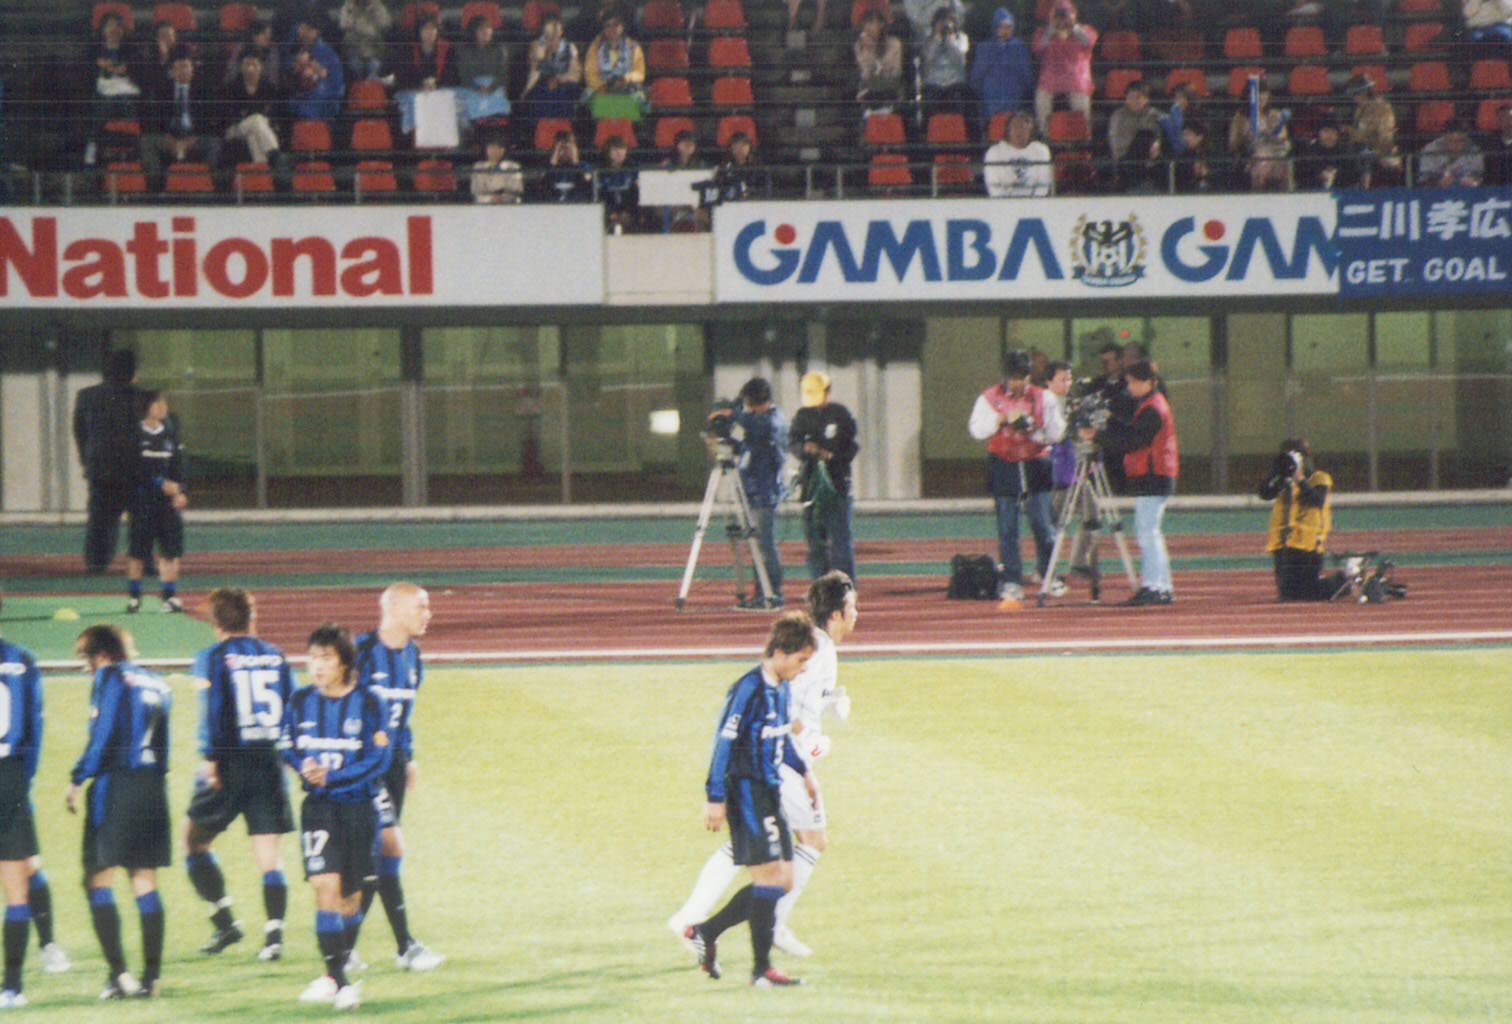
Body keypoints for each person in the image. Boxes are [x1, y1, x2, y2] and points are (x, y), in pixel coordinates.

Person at [668, 572, 857, 959]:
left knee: (751, 846)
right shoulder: (819, 651)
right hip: (779, 763)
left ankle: (694, 919)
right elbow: (783, 702)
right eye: (854, 607)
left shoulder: (818, 648)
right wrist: (812, 746)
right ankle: (766, 925)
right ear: (837, 614)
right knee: (810, 842)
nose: (858, 613)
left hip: (778, 761)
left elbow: (796, 700)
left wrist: (830, 704)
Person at [680, 612, 817, 988]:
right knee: (770, 879)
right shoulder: (748, 689)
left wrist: (804, 772)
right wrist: (715, 797)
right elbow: (724, 742)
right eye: (801, 659)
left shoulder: (782, 688)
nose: (804, 668)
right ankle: (761, 970)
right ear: (781, 652)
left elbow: (780, 735)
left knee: (783, 881)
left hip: (769, 791)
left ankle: (705, 931)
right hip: (744, 791)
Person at [181, 588, 296, 961]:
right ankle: (274, 936)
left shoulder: (212, 658)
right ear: (252, 617)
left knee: (193, 841)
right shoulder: (276, 655)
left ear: (215, 622)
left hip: (229, 762)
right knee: (269, 856)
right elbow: (292, 708)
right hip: (269, 763)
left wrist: (211, 758)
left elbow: (213, 710)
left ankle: (225, 922)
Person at [280, 624, 390, 1011]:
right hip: (319, 810)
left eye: (325, 658)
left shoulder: (370, 702)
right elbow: (286, 743)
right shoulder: (299, 700)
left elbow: (379, 759)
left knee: (350, 899)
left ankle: (332, 976)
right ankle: (342, 984)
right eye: (312, 657)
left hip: (358, 809)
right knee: (324, 886)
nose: (317, 665)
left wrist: (333, 776)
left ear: (344, 662)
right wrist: (302, 765)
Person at [66, 625, 173, 999]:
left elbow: (104, 734)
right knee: (144, 881)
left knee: (96, 879)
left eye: (87, 660)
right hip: (153, 787)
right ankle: (152, 979)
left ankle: (120, 976)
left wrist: (78, 777)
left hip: (116, 788)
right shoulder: (158, 683)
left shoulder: (110, 676)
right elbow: (164, 744)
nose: (87, 669)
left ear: (102, 655)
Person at [349, 585, 443, 973]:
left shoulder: (413, 656)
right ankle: (405, 946)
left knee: (380, 856)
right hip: (363, 769)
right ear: (396, 608)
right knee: (387, 850)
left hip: (392, 767)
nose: (428, 614)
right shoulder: (360, 652)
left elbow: (402, 716)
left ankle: (346, 948)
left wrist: (408, 755)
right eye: (421, 606)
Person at [1081, 360, 1177, 606]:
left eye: (1133, 382)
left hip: (1154, 475)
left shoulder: (1153, 408)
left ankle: (1155, 586)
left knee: (1148, 532)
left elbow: (1133, 441)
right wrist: (1110, 420)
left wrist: (1098, 435)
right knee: (1149, 532)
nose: (1129, 387)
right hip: (1155, 474)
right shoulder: (1150, 405)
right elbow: (1131, 433)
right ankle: (1160, 585)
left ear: (1148, 382)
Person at [968, 350, 1060, 600]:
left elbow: (1056, 433)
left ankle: (1048, 574)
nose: (1019, 383)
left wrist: (1033, 429)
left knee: (1043, 525)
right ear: (1006, 377)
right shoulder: (989, 398)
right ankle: (1012, 580)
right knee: (1008, 527)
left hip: (1036, 464)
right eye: (1014, 378)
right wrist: (1000, 420)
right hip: (1004, 464)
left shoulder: (1044, 397)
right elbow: (976, 430)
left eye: (1023, 377)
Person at [0, 601, 44, 1007]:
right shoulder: (22, 659)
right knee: (16, 890)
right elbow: (35, 728)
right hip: (10, 776)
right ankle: (12, 987)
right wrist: (21, 779)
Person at [721, 377, 787, 609]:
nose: (748, 408)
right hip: (751, 492)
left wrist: (733, 413)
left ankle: (773, 594)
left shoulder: (773, 420)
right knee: (757, 548)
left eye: (749, 403)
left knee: (765, 548)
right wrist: (729, 443)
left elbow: (761, 429)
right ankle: (762, 593)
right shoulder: (757, 423)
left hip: (764, 493)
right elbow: (749, 448)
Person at [73, 350, 140, 574]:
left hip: (101, 469)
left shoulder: (86, 396)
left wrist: (87, 460)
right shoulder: (143, 396)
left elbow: (80, 432)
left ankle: (97, 563)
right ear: (132, 372)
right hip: (134, 470)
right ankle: (143, 562)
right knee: (141, 519)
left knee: (100, 520)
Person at [789, 372, 859, 583]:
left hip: (836, 485)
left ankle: (845, 587)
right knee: (815, 544)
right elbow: (793, 442)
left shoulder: (840, 414)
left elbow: (851, 447)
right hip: (811, 487)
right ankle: (820, 587)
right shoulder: (802, 416)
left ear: (828, 392)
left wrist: (831, 454)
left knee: (840, 543)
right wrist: (804, 448)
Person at [1258, 439, 1348, 602]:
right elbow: (1265, 494)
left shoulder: (1319, 478)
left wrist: (1299, 479)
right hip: (1283, 544)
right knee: (1287, 596)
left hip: (1308, 544)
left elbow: (1316, 500)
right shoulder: (1285, 482)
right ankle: (1345, 581)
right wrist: (1274, 473)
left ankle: (1346, 580)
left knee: (1308, 594)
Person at [125, 390, 187, 615]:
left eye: (164, 403)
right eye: (158, 403)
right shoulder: (134, 435)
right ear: (147, 407)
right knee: (138, 552)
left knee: (170, 551)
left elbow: (179, 468)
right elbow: (133, 469)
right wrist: (159, 483)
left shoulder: (171, 435)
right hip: (142, 503)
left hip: (167, 505)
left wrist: (180, 492)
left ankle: (169, 597)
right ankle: (134, 598)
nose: (163, 407)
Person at [139, 45, 223, 191]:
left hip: (195, 138)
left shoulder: (204, 90)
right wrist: (167, 137)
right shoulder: (162, 90)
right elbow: (152, 119)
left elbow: (211, 121)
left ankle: (210, 187)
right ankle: (155, 190)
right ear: (171, 71)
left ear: (192, 69)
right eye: (177, 68)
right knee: (147, 141)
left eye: (185, 67)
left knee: (214, 143)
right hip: (169, 138)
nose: (181, 71)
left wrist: (194, 138)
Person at [1031, 0, 1097, 138]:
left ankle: (1084, 135)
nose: (1062, 19)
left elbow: (1089, 43)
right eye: (1058, 15)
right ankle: (1044, 135)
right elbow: (1037, 48)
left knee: (1082, 102)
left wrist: (1073, 27)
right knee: (1041, 99)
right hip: (1050, 79)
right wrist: (1051, 30)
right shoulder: (1042, 32)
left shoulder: (1085, 30)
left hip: (1076, 79)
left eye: (1065, 14)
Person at [969, 8, 1035, 134]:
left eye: (1009, 27)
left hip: (1014, 93)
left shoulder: (1019, 47)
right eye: (1002, 27)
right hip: (991, 94)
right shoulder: (984, 47)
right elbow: (976, 77)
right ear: (995, 27)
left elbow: (1027, 74)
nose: (1005, 31)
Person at [396, 17, 460, 138]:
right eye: (426, 29)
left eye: (432, 29)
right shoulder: (408, 49)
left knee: (455, 98)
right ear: (419, 32)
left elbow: (454, 74)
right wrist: (421, 84)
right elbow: (403, 76)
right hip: (415, 88)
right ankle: (414, 136)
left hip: (440, 87)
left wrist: (436, 84)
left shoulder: (448, 49)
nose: (429, 32)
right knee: (411, 100)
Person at [222, 51, 282, 169]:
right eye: (247, 65)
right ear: (241, 67)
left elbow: (274, 114)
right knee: (257, 119)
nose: (250, 69)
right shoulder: (232, 88)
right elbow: (231, 115)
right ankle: (274, 153)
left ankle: (261, 172)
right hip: (235, 129)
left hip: (260, 129)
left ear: (260, 67)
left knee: (254, 137)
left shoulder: (269, 87)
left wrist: (249, 113)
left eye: (254, 65)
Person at [1227, 82, 1290, 192]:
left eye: (1264, 94)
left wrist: (1275, 132)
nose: (1261, 98)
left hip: (1274, 154)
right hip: (1251, 155)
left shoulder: (1275, 114)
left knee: (1285, 163)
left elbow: (1284, 139)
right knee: (1259, 164)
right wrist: (1245, 135)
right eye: (1258, 94)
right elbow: (1233, 145)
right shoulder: (1240, 117)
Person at [584, 13, 646, 121]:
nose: (612, 29)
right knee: (588, 99)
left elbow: (640, 73)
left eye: (616, 25)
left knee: (639, 99)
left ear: (622, 27)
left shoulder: (633, 46)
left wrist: (626, 78)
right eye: (608, 26)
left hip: (626, 87)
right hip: (602, 88)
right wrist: (601, 87)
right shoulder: (596, 46)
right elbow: (590, 73)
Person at [456, 14, 511, 135]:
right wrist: (477, 88)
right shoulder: (464, 50)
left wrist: (492, 87)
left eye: (488, 28)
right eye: (481, 29)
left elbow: (503, 75)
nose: (486, 32)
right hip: (472, 87)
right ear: (473, 32)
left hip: (494, 87)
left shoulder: (499, 50)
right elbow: (463, 75)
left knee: (497, 102)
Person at [521, 14, 582, 125]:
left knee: (566, 93)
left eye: (556, 29)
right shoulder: (537, 45)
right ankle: (540, 129)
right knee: (536, 96)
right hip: (542, 82)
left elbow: (575, 74)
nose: (553, 33)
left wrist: (560, 79)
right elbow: (534, 71)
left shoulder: (570, 47)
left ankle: (564, 127)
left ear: (561, 31)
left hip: (564, 83)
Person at [285, 16, 344, 122]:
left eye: (308, 29)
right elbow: (290, 74)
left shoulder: (327, 52)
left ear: (316, 32)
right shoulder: (295, 51)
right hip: (301, 97)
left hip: (324, 98)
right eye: (302, 29)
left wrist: (312, 65)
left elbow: (335, 84)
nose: (304, 33)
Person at [919, 7, 972, 124]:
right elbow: (928, 56)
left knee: (959, 99)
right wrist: (937, 38)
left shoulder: (962, 38)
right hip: (933, 84)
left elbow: (958, 59)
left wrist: (949, 39)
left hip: (955, 83)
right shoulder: (928, 40)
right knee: (930, 101)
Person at [1347, 75, 1402, 188]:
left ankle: (1365, 188)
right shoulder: (1360, 108)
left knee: (1364, 154)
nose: (1354, 98)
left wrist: (1381, 153)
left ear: (1365, 93)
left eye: (1356, 94)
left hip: (1378, 151)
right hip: (1362, 148)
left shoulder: (1382, 108)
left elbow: (1385, 137)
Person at [984, 112, 1052, 197]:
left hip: (1035, 203)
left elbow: (1043, 184)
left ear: (1031, 131)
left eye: (1024, 128)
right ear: (1008, 130)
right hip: (1003, 203)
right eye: (1015, 127)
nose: (1019, 132)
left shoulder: (1041, 150)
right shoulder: (994, 152)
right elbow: (993, 187)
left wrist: (1034, 202)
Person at [854, 10, 903, 112]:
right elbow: (866, 73)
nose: (869, 27)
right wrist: (869, 50)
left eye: (873, 23)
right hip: (870, 89)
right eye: (867, 23)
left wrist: (880, 67)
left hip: (890, 87)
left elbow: (895, 71)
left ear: (881, 24)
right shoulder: (859, 45)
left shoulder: (894, 43)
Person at [1294, 120, 1360, 191]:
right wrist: (1319, 177)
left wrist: (1336, 176)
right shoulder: (1308, 153)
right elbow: (1301, 178)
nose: (1329, 136)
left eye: (1333, 132)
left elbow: (1354, 177)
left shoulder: (1346, 153)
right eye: (1326, 131)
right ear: (1318, 133)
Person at [1107, 81, 1160, 169]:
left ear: (1146, 99)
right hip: (1126, 160)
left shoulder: (1154, 114)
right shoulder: (1118, 116)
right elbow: (1118, 146)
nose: (1134, 101)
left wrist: (1157, 143)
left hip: (1152, 159)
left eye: (1138, 97)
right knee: (1145, 134)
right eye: (1131, 97)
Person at [337, 0, 393, 83]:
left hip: (374, 50)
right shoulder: (348, 6)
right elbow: (343, 25)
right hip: (354, 50)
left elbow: (385, 24)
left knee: (374, 67)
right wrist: (351, 9)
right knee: (355, 68)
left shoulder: (377, 5)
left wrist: (374, 9)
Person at [1418, 125, 1484, 188]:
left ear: (1466, 140)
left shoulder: (1475, 151)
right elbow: (1424, 180)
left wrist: (1472, 181)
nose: (1455, 145)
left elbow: (1479, 177)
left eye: (1460, 141)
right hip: (1435, 191)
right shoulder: (1430, 150)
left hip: (1466, 191)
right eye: (1451, 140)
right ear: (1444, 138)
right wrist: (1438, 183)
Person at [600, 136, 640, 234]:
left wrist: (627, 211)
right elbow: (600, 195)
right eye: (615, 149)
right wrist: (610, 213)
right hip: (608, 212)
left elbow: (636, 194)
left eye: (622, 149)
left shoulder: (633, 169)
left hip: (628, 211)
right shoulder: (601, 172)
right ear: (608, 152)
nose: (619, 153)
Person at [470, 133, 524, 204]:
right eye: (491, 147)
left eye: (498, 148)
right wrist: (490, 199)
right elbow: (476, 191)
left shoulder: (513, 167)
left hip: (508, 205)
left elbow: (517, 190)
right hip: (484, 206)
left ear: (503, 150)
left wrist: (502, 198)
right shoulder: (478, 167)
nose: (494, 151)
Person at [542, 130, 593, 201]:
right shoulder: (549, 165)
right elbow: (542, 179)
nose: (566, 152)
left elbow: (587, 180)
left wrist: (575, 162)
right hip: (553, 203)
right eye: (562, 148)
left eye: (569, 149)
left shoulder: (584, 165)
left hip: (577, 203)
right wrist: (554, 159)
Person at [714, 132, 761, 202]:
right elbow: (717, 190)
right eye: (736, 146)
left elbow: (764, 191)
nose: (739, 149)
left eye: (743, 145)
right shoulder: (725, 169)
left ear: (749, 147)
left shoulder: (759, 169)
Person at [1482, 104, 1512, 187]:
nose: (1508, 122)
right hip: (1495, 188)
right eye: (1503, 118)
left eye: (1510, 118)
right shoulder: (1491, 142)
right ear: (1499, 121)